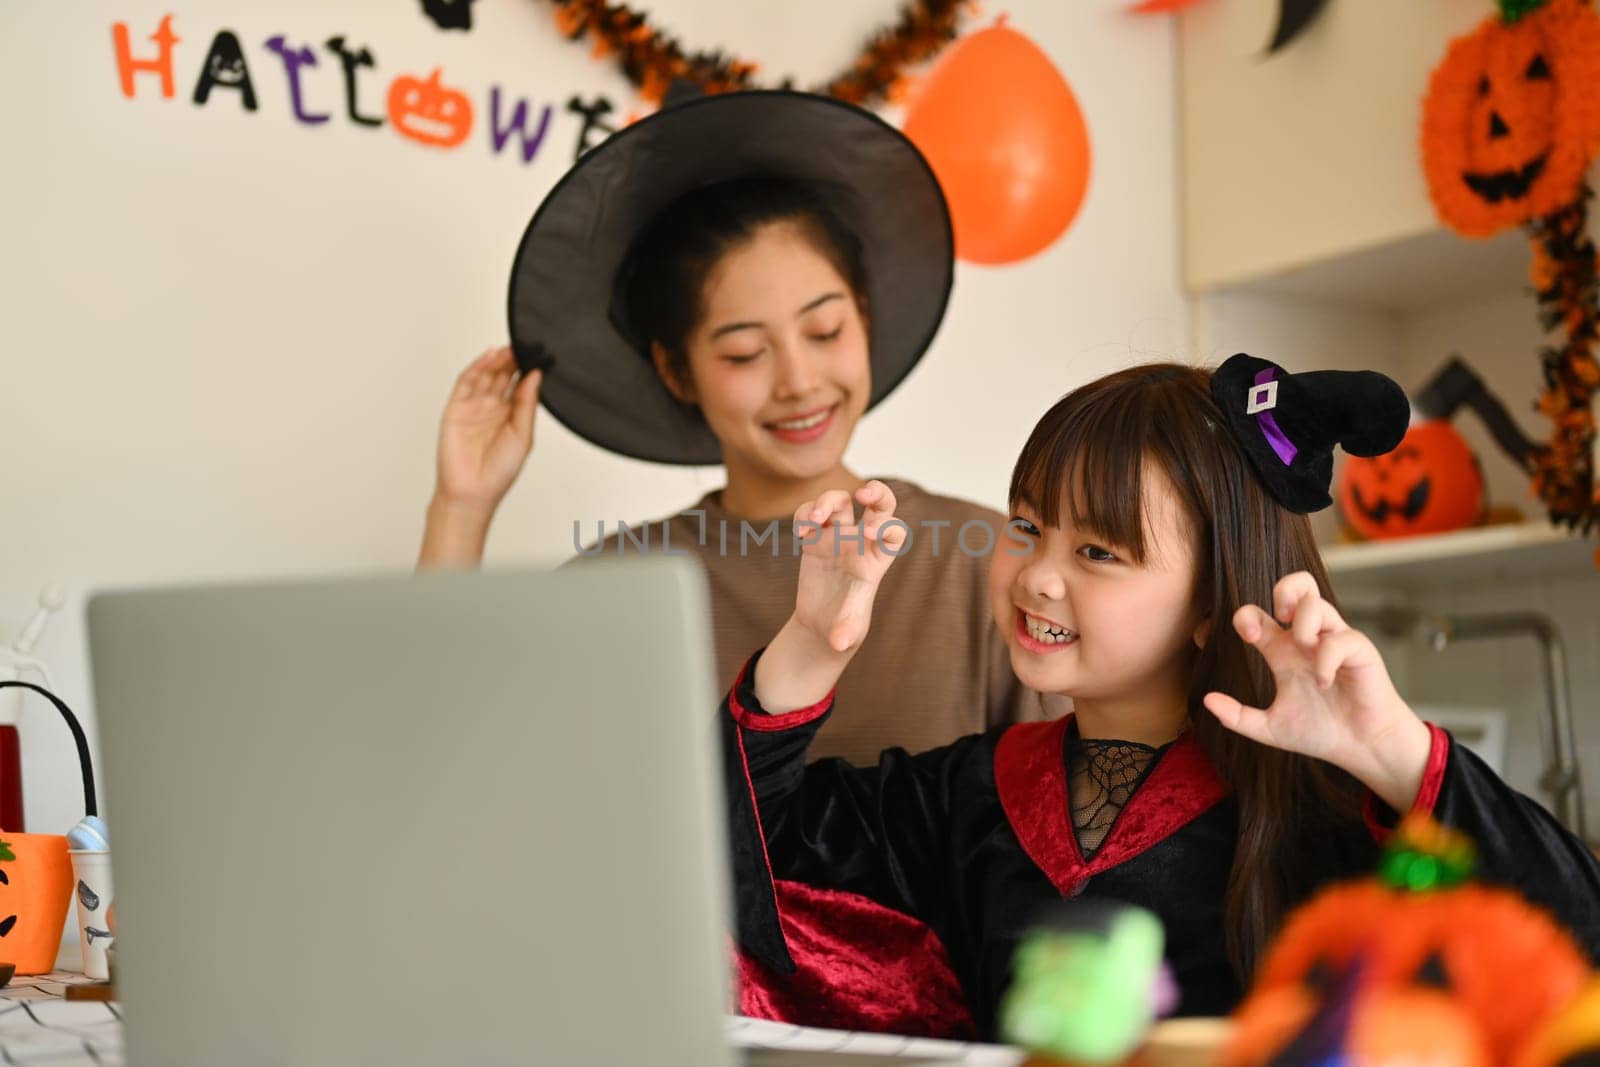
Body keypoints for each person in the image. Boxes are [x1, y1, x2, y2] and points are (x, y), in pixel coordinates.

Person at [718, 356, 1600, 1038]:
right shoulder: (967, 794)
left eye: (1098, 552)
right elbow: (723, 865)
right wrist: (811, 644)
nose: (1039, 577)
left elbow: (1571, 946)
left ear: (1213, 604)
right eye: (1027, 525)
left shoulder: (1325, 811)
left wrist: (1399, 756)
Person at [418, 90, 1060, 762]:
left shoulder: (981, 560)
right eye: (745, 352)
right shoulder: (621, 587)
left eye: (824, 329)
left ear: (864, 317)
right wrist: (460, 507)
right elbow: (444, 751)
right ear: (677, 370)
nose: (800, 381)